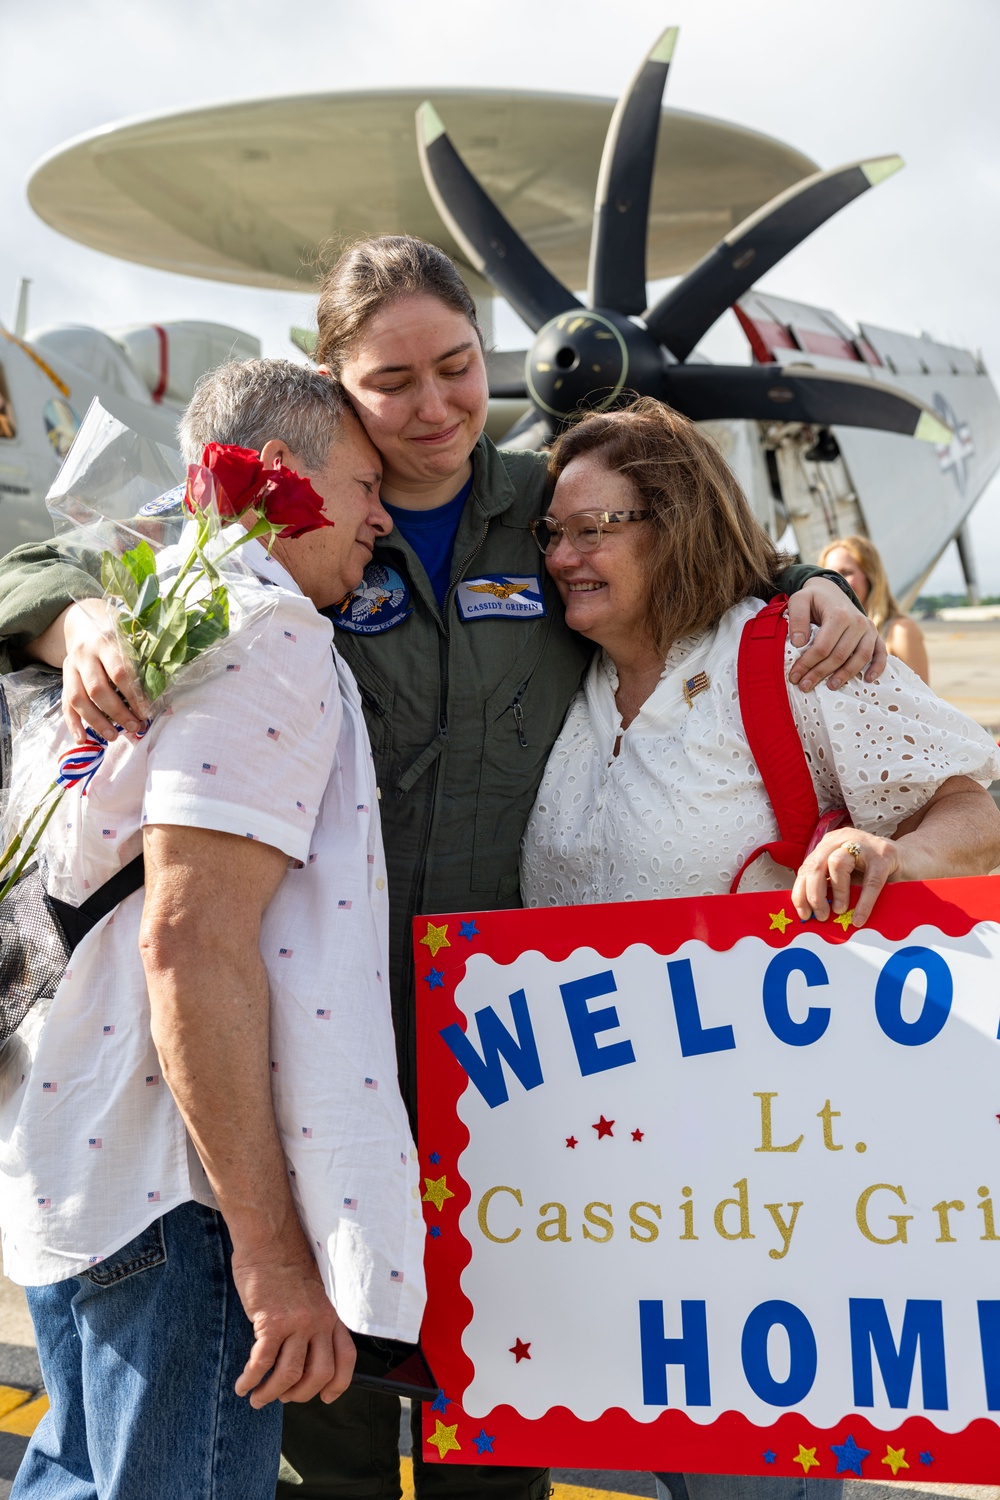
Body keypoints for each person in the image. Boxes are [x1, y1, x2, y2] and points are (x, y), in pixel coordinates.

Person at [0, 237, 884, 1500]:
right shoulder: (269, 536)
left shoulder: (552, 502)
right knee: (335, 1403)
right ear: (330, 394)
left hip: (511, 1049)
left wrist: (810, 590)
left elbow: (696, 546)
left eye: (459, 368)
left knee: (495, 1399)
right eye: (392, 384)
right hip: (317, 1039)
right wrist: (72, 614)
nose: (434, 408)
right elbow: (42, 563)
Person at [518, 397, 1000, 1500]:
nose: (562, 555)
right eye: (553, 532)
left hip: (769, 1177)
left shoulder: (788, 652)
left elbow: (970, 811)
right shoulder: (563, 681)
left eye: (595, 527)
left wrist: (891, 855)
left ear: (673, 523)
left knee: (756, 1479)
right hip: (604, 1182)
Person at [0, 360, 426, 1500]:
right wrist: (274, 1255)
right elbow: (190, 942)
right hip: (177, 1192)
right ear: (280, 479)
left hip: (74, 1161)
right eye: (364, 482)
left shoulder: (141, 623)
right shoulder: (269, 630)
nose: (384, 515)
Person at [818, 534, 930, 683]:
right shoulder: (823, 631)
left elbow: (921, 700)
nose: (837, 581)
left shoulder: (900, 631)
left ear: (870, 578)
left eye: (846, 572)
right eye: (829, 574)